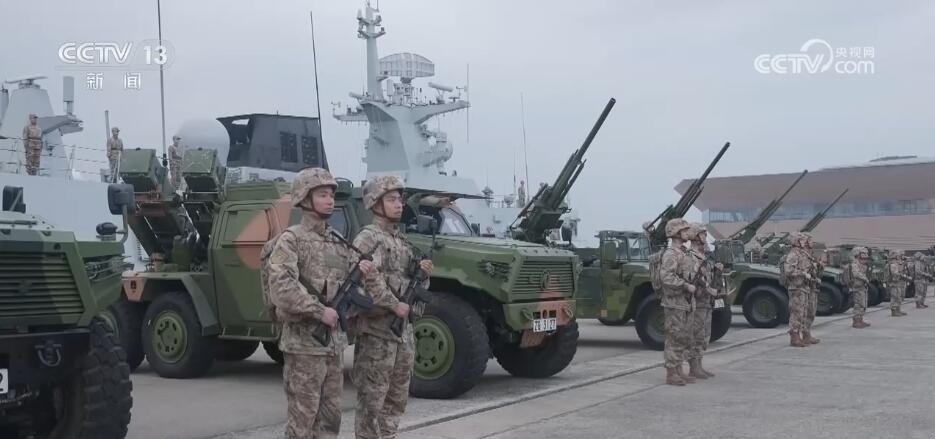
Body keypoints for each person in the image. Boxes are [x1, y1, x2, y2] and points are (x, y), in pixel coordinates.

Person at [265, 167, 373, 439]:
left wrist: (361, 278)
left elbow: (347, 288)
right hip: (304, 346)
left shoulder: (337, 241)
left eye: (331, 195)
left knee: (330, 421)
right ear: (304, 198)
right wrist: (318, 311)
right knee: (302, 423)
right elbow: (282, 287)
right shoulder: (291, 240)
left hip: (333, 346)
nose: (329, 200)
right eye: (322, 195)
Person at [353, 175, 433, 439]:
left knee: (396, 402)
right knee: (371, 405)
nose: (399, 204)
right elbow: (363, 280)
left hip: (402, 335)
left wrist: (424, 275)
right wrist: (393, 303)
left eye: (399, 199)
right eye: (391, 199)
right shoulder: (368, 239)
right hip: (377, 334)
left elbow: (412, 286)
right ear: (375, 203)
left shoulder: (401, 241)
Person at [659, 218, 697, 386]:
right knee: (674, 337)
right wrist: (685, 285)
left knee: (683, 337)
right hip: (674, 302)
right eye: (684, 230)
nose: (687, 233)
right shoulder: (670, 254)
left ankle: (679, 369)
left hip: (685, 302)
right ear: (675, 232)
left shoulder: (683, 253)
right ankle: (671, 372)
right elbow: (666, 277)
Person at [687, 223, 721, 379]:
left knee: (705, 335)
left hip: (706, 302)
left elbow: (708, 277)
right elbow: (695, 278)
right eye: (702, 234)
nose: (705, 237)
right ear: (695, 236)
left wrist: (717, 272)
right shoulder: (690, 256)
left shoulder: (703, 256)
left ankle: (699, 365)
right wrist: (708, 289)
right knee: (696, 334)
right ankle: (694, 367)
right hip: (697, 301)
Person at [782, 232, 817, 347]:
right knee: (796, 312)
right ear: (796, 241)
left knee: (804, 312)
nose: (804, 242)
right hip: (796, 287)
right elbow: (788, 271)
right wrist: (803, 273)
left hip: (804, 286)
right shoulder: (793, 254)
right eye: (801, 240)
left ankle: (804, 335)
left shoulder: (803, 254)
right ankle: (794, 337)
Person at [846, 247, 872, 328]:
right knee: (858, 304)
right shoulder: (855, 264)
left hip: (862, 286)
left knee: (863, 304)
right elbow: (856, 274)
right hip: (857, 287)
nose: (865, 256)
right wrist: (865, 278)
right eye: (863, 254)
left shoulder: (862, 264)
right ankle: (856, 321)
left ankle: (860, 320)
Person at [887, 250, 911, 316]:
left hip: (897, 282)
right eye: (898, 255)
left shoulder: (896, 263)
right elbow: (895, 273)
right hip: (894, 283)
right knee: (894, 297)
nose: (899, 256)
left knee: (898, 297)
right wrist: (903, 276)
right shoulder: (893, 264)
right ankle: (894, 311)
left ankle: (898, 310)